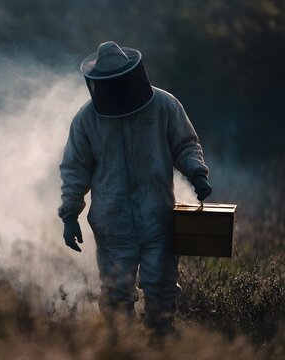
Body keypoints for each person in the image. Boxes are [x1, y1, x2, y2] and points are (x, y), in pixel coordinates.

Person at [58, 41, 212, 335]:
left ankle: (160, 347)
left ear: (132, 76)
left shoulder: (164, 105)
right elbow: (75, 169)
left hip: (158, 219)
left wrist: (197, 173)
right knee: (116, 298)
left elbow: (185, 145)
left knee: (162, 291)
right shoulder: (87, 119)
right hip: (112, 224)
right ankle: (123, 351)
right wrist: (69, 214)